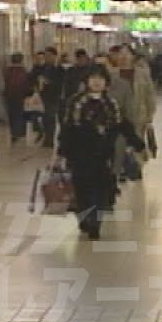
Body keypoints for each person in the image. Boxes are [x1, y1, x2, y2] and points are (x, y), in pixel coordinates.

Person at [58, 64, 145, 240]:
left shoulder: (110, 104)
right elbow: (67, 129)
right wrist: (63, 152)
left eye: (100, 79)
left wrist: (139, 145)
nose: (97, 82)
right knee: (83, 189)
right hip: (80, 154)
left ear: (106, 82)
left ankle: (94, 222)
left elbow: (123, 126)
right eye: (93, 78)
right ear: (86, 81)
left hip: (104, 155)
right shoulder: (75, 102)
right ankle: (85, 218)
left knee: (101, 189)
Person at [34, 46, 65, 148]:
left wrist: (50, 83)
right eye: (45, 56)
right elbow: (32, 77)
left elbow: (61, 82)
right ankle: (46, 136)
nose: (47, 58)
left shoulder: (60, 69)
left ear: (55, 56)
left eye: (49, 56)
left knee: (50, 117)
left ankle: (49, 138)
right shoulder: (41, 68)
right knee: (44, 118)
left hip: (54, 97)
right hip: (43, 96)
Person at [3, 53, 31, 144]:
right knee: (20, 115)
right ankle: (19, 133)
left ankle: (14, 133)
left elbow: (4, 84)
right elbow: (27, 85)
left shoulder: (7, 71)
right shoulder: (24, 71)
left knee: (12, 115)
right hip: (20, 97)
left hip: (9, 97)